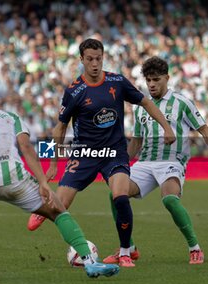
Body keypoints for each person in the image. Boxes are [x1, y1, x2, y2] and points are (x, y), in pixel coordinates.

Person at [0, 88, 120, 282]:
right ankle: (90, 261)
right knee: (58, 211)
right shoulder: (10, 117)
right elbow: (26, 147)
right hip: (14, 177)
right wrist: (43, 182)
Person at [27, 39, 176, 268]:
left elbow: (145, 102)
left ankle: (126, 252)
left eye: (98, 58)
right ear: (81, 60)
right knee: (60, 206)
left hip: (114, 152)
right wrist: (53, 163)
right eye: (89, 59)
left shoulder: (117, 81)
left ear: (103, 57)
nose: (95, 64)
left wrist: (166, 127)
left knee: (120, 196)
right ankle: (44, 210)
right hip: (84, 153)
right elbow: (60, 128)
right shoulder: (74, 91)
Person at [102, 56, 208, 265]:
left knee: (169, 199)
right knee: (116, 194)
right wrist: (121, 164)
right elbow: (137, 141)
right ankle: (129, 248)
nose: (151, 85)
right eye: (148, 80)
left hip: (171, 162)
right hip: (145, 163)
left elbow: (203, 127)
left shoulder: (182, 102)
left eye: (156, 80)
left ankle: (195, 248)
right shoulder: (140, 106)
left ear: (167, 78)